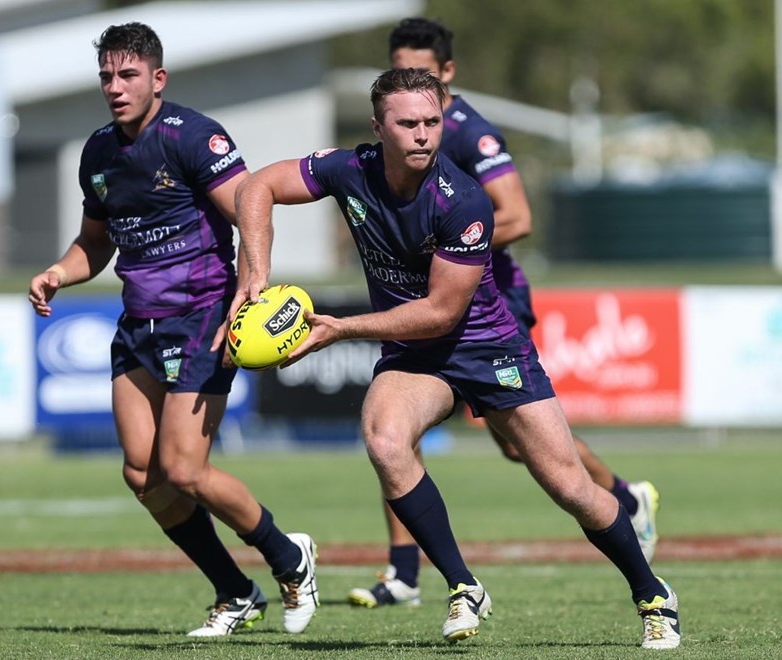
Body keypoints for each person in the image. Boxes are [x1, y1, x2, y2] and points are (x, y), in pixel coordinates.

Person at [233, 67, 681, 649]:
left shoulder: (463, 200)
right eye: (407, 123)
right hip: (416, 355)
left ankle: (653, 594)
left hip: (487, 348)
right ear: (378, 127)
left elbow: (441, 314)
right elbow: (257, 188)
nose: (423, 134)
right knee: (385, 441)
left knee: (570, 487)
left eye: (432, 122)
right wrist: (256, 274)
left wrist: (342, 328)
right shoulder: (349, 170)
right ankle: (463, 585)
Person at [346, 16, 661, 611]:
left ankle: (622, 497)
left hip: (486, 302)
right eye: (399, 71)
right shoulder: (383, 143)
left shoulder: (468, 134)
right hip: (427, 306)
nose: (417, 102)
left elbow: (517, 217)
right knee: (391, 436)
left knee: (526, 452)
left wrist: (444, 251)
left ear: (447, 74)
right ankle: (407, 570)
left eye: (424, 75)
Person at [26, 22, 318, 638]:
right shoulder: (98, 153)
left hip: (202, 317)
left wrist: (252, 285)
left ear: (158, 79)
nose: (115, 86)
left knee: (184, 470)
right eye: (106, 76)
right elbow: (94, 244)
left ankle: (289, 556)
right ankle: (235, 592)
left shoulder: (193, 136)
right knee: (142, 473)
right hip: (139, 324)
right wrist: (58, 271)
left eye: (128, 75)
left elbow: (251, 207)